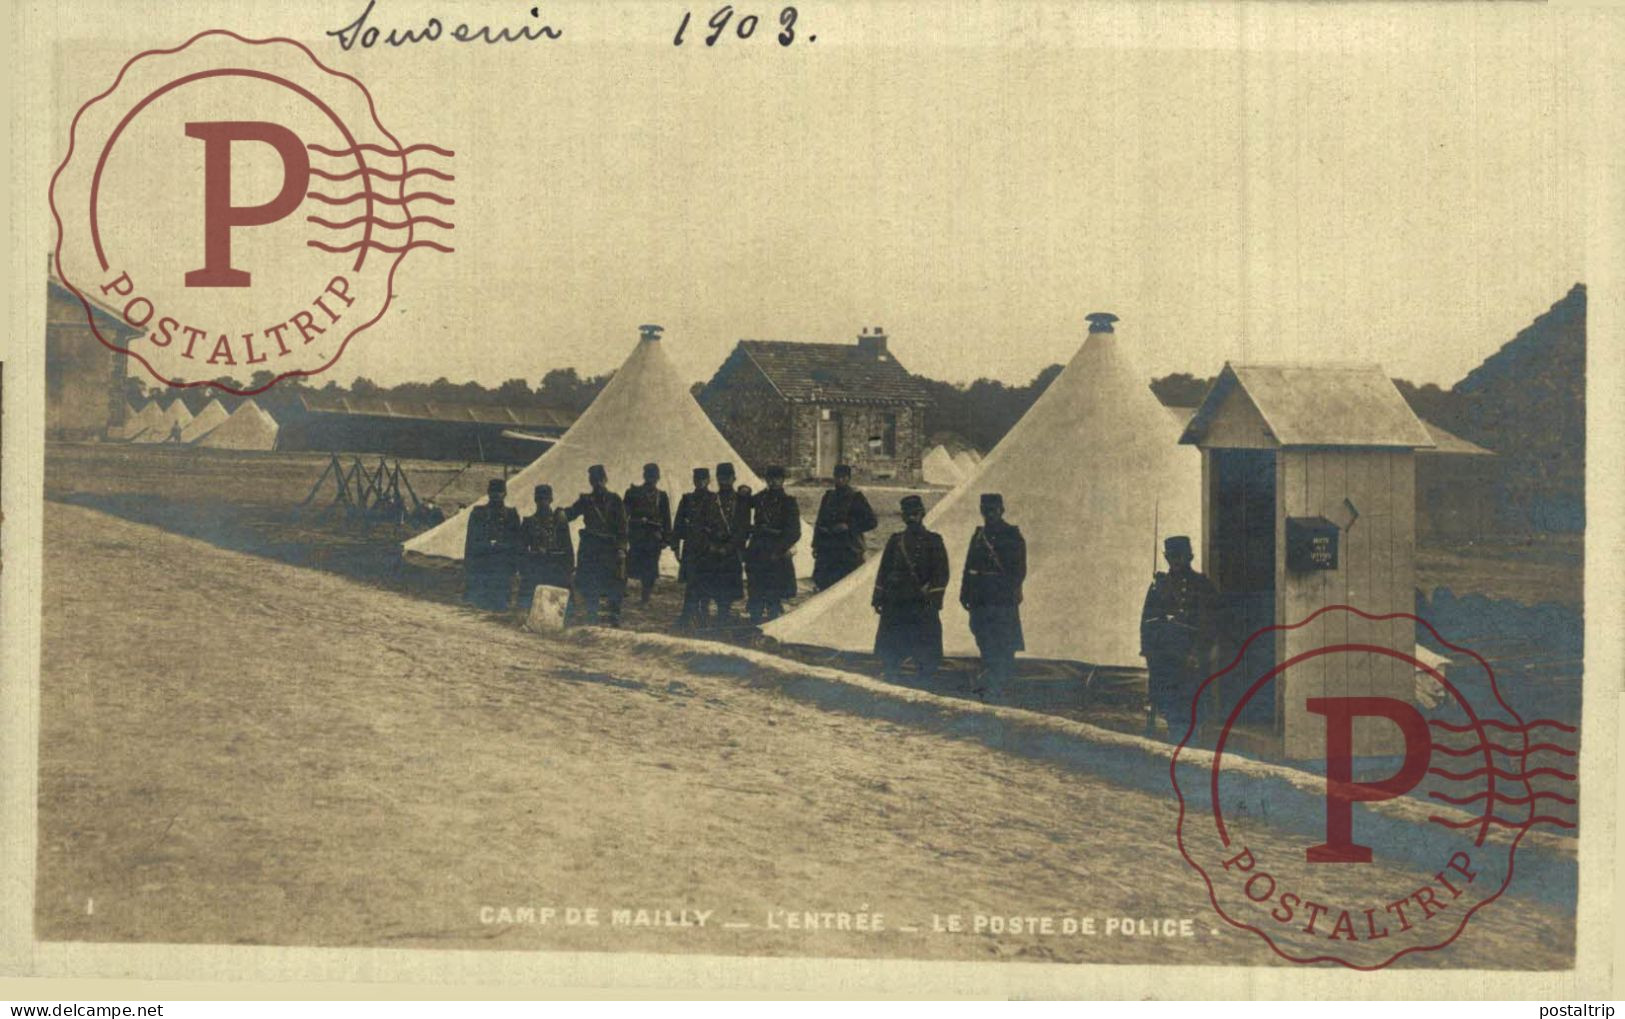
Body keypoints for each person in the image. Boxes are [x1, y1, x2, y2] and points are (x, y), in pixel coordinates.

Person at [1139, 535, 1221, 742]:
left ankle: (1189, 745)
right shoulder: (1159, 585)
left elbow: (1211, 623)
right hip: (1165, 657)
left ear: (1189, 557)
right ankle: (1177, 742)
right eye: (1172, 557)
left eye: (1180, 556)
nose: (1176, 561)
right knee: (1169, 703)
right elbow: (1147, 621)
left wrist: (1198, 652)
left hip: (1190, 656)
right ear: (1167, 558)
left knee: (1191, 702)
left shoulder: (1202, 585)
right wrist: (1149, 652)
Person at [871, 494, 950, 683]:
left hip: (920, 602)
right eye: (908, 514)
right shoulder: (895, 541)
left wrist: (934, 598)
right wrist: (879, 596)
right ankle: (891, 673)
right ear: (903, 517)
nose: (912, 518)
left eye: (915, 514)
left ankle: (925, 676)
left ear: (922, 514)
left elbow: (941, 573)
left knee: (925, 646)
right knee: (892, 645)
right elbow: (884, 570)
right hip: (896, 601)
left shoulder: (934, 540)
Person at [959, 492, 1026, 699]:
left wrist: (1008, 591)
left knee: (1004, 641)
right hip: (980, 597)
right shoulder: (979, 535)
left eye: (993, 510)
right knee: (983, 638)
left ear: (1002, 510)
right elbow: (969, 566)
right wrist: (965, 592)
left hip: (1001, 599)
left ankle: (1001, 681)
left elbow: (1019, 570)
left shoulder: (1012, 535)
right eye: (986, 510)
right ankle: (990, 677)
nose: (989, 514)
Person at [563, 464, 629, 625]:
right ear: (591, 482)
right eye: (594, 480)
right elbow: (570, 513)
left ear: (605, 480)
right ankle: (592, 614)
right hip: (590, 547)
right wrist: (560, 513)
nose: (597, 483)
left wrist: (621, 548)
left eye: (600, 479)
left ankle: (613, 616)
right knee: (588, 581)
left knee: (614, 582)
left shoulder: (615, 500)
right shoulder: (586, 500)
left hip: (609, 548)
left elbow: (622, 526)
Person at [745, 465, 803, 623]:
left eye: (777, 479)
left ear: (783, 480)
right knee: (756, 587)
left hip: (777, 551)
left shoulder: (789, 502)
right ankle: (755, 617)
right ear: (766, 480)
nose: (773, 482)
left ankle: (773, 618)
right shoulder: (759, 499)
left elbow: (795, 531)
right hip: (758, 549)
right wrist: (743, 492)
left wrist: (779, 549)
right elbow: (744, 505)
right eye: (770, 479)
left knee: (774, 591)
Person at [811, 464, 878, 590]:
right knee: (825, 584)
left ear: (848, 479)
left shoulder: (856, 497)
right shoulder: (828, 497)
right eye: (837, 477)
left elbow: (872, 521)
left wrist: (848, 526)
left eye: (844, 477)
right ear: (834, 478)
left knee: (847, 584)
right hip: (828, 548)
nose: (840, 480)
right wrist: (816, 544)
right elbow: (819, 522)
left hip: (848, 548)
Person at [671, 467, 720, 629]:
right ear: (693, 480)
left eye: (703, 479)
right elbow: (678, 524)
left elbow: (719, 525)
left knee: (705, 582)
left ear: (708, 481)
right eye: (697, 479)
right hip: (691, 546)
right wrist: (675, 547)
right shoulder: (687, 499)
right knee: (692, 583)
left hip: (707, 547)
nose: (700, 482)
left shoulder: (715, 499)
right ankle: (687, 616)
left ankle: (704, 615)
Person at [463, 478, 521, 611]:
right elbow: (471, 540)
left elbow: (516, 542)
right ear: (488, 493)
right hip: (483, 564)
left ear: (505, 494)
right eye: (494, 492)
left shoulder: (511, 515)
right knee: (479, 605)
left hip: (502, 566)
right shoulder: (478, 513)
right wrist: (468, 564)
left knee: (499, 605)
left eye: (500, 492)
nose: (497, 495)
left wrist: (514, 566)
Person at [518, 483, 574, 608]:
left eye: (546, 499)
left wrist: (569, 569)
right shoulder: (528, 522)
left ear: (551, 500)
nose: (543, 502)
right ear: (535, 500)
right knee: (530, 603)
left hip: (556, 568)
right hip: (536, 568)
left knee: (559, 605)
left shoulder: (560, 522)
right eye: (539, 499)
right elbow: (521, 549)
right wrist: (526, 566)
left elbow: (567, 546)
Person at [624, 463, 672, 604]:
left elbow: (666, 519)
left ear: (658, 478)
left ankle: (645, 598)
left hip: (653, 538)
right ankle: (619, 592)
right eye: (649, 476)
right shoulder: (633, 493)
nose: (651, 479)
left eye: (654, 476)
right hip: (637, 535)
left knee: (650, 568)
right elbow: (623, 514)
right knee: (629, 563)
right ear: (644, 476)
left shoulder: (662, 496)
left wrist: (666, 539)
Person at [709, 462, 749, 623]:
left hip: (733, 548)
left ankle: (725, 611)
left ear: (734, 479)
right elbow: (707, 523)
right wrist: (712, 544)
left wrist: (730, 546)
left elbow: (743, 526)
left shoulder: (742, 499)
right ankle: (720, 611)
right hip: (715, 547)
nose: (724, 481)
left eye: (728, 478)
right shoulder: (712, 499)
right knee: (716, 581)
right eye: (721, 478)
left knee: (730, 581)